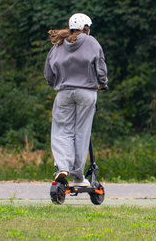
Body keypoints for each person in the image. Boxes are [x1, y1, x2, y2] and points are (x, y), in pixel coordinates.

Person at [44, 13, 108, 187]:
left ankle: (62, 167)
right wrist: (102, 84)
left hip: (64, 93)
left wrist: (56, 83)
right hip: (87, 92)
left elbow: (48, 74)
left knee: (61, 131)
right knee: (82, 132)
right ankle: (78, 177)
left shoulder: (58, 45)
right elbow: (100, 66)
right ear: (86, 28)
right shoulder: (92, 42)